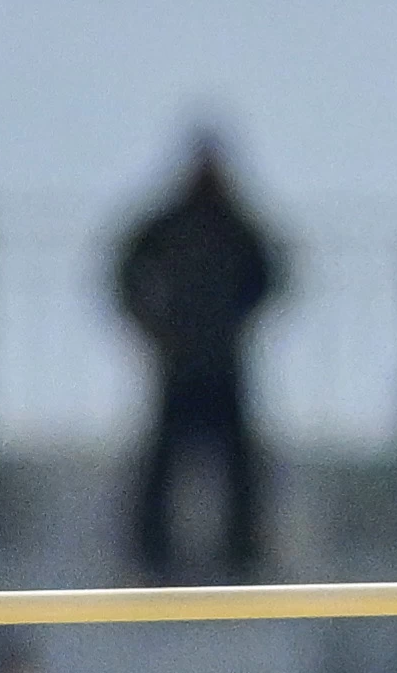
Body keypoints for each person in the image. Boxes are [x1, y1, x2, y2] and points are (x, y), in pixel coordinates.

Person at [109, 130, 278, 580]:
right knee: (162, 466)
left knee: (241, 466)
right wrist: (155, 328)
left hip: (221, 363)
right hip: (181, 363)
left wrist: (236, 322)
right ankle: (152, 553)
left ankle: (243, 553)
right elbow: (124, 272)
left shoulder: (235, 226)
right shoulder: (170, 224)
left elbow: (270, 277)